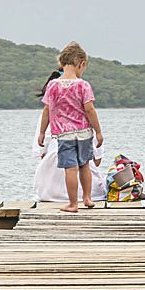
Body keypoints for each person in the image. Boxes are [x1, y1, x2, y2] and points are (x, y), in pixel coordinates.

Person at [36, 41, 105, 213]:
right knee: (85, 165)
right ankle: (87, 198)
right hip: (84, 133)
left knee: (70, 169)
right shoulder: (83, 85)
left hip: (64, 134)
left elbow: (47, 111)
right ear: (81, 64)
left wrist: (42, 133)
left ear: (61, 63)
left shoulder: (52, 86)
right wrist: (98, 131)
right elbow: (90, 109)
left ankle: (73, 204)